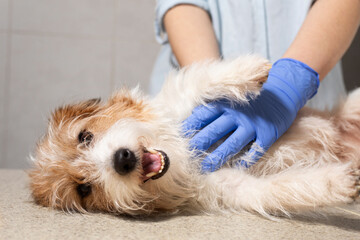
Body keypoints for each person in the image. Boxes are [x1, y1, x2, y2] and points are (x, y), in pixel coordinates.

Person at [150, 0, 360, 172]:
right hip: (192, 99)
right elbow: (182, 5)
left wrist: (290, 85)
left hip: (314, 112)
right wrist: (213, 85)